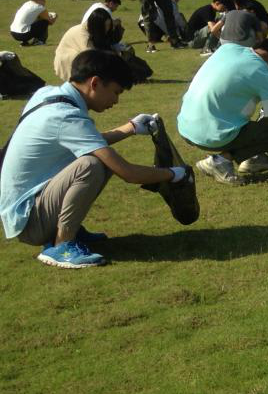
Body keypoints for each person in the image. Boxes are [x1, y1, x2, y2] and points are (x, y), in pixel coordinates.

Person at [0, 50, 187, 269]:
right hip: (29, 223)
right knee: (92, 164)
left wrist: (131, 128)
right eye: (115, 92)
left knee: (98, 157)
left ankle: (70, 230)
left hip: (25, 208)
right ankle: (62, 245)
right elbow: (128, 173)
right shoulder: (66, 117)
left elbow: (86, 139)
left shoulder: (48, 95)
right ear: (95, 83)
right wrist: (174, 173)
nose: (116, 100)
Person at [176, 36, 268, 184]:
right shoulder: (263, 73)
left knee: (253, 113)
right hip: (210, 134)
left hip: (185, 126)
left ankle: (253, 158)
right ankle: (220, 162)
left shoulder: (228, 49)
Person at [54, 0, 124, 82]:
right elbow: (91, 54)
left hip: (81, 58)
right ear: (98, 25)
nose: (107, 28)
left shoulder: (93, 30)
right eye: (106, 26)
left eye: (109, 25)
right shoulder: (83, 35)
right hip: (68, 61)